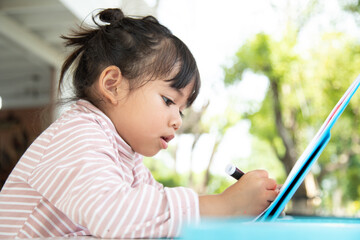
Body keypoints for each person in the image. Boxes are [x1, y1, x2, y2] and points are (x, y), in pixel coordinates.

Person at [0, 8, 279, 239]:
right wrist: (225, 205)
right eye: (169, 101)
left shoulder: (127, 158)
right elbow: (116, 218)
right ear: (113, 85)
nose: (177, 121)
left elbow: (154, 219)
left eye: (182, 111)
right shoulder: (78, 135)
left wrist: (235, 209)